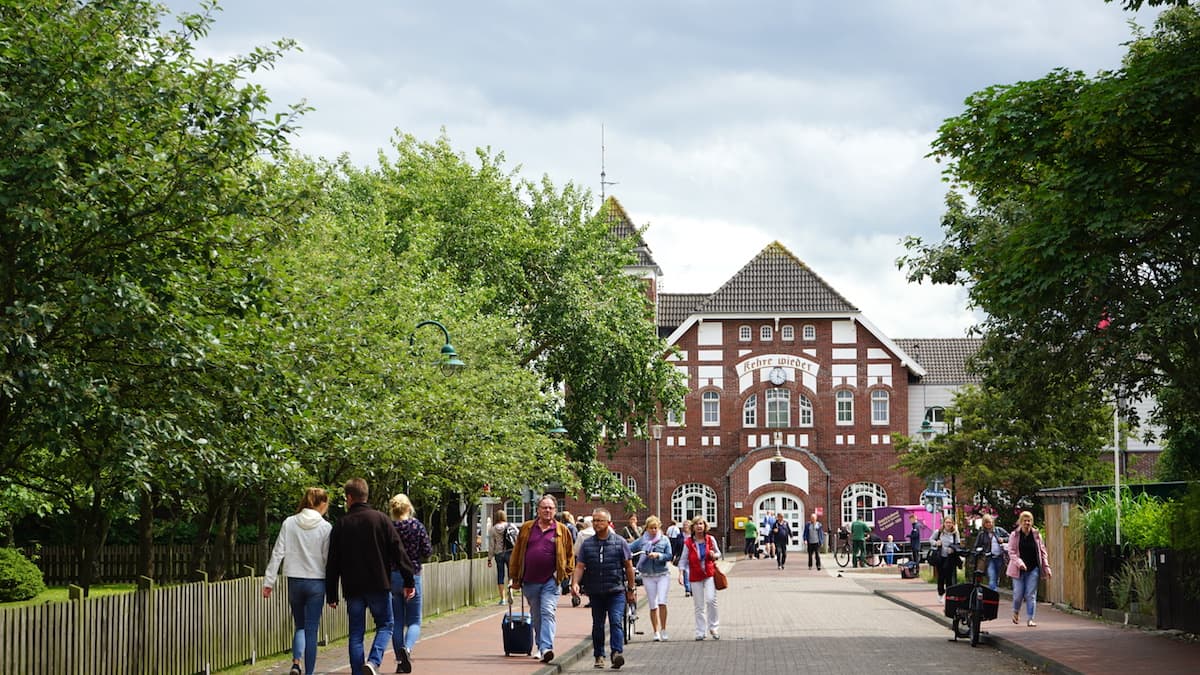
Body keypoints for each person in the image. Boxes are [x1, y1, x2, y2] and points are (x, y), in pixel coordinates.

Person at [326, 478, 415, 675]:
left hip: (352, 587)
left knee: (356, 633)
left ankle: (359, 672)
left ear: (350, 497)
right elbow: (398, 552)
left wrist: (331, 593)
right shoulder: (381, 519)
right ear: (366, 496)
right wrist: (409, 580)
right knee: (386, 625)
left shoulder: (341, 524)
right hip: (378, 583)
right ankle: (373, 662)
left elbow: (333, 561)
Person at [263, 487, 332, 675]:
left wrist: (269, 582)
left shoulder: (289, 523)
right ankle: (309, 672)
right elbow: (327, 559)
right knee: (312, 629)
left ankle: (295, 664)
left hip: (294, 580)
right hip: (317, 581)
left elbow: (278, 552)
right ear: (322, 503)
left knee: (300, 625)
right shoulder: (326, 527)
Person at [508, 494, 575, 664]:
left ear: (555, 510)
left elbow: (569, 554)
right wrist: (514, 577)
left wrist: (565, 573)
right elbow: (516, 553)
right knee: (536, 615)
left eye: (550, 508)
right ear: (538, 510)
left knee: (548, 612)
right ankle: (540, 646)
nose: (547, 510)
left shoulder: (562, 530)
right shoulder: (527, 528)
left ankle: (546, 648)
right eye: (544, 507)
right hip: (530, 580)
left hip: (551, 580)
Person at [570, 508, 636, 669]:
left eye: (600, 520)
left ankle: (616, 653)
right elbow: (580, 566)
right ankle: (599, 655)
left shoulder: (619, 542)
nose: (596, 523)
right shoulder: (587, 544)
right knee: (598, 625)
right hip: (595, 591)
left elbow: (628, 567)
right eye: (594, 520)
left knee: (615, 622)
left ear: (608, 522)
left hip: (616, 590)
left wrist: (631, 589)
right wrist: (575, 583)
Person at [388, 494, 431, 674]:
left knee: (397, 622)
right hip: (413, 575)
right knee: (414, 620)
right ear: (408, 508)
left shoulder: (388, 527)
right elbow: (427, 550)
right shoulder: (416, 526)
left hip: (392, 576)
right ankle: (407, 648)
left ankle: (400, 660)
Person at [631, 515, 673, 642]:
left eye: (655, 528)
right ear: (647, 529)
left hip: (662, 574)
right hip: (648, 575)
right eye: (651, 528)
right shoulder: (642, 541)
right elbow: (629, 548)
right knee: (652, 604)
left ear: (659, 528)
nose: (653, 530)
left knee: (662, 601)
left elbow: (669, 555)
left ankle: (664, 629)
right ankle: (655, 631)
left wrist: (659, 555)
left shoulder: (664, 540)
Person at [1008, 511, 1052, 627]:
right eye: (1025, 520)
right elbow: (1011, 552)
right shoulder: (1015, 535)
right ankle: (1016, 611)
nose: (1027, 523)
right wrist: (1020, 563)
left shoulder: (1036, 535)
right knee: (1018, 594)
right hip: (1018, 570)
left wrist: (1046, 567)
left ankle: (1030, 619)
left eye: (1029, 521)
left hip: (1033, 569)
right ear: (1020, 522)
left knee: (1030, 594)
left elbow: (1043, 552)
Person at [680, 516, 721, 641]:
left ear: (705, 526)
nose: (699, 526)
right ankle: (700, 631)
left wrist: (715, 555)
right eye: (697, 524)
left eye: (701, 524)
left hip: (709, 574)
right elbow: (683, 559)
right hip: (695, 575)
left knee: (710, 600)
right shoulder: (688, 542)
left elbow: (719, 553)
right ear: (693, 527)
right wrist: (681, 573)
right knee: (699, 605)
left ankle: (714, 627)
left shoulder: (710, 539)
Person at [487, 510, 519, 604]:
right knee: (511, 573)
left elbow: (491, 545)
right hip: (510, 552)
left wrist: (489, 558)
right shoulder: (510, 525)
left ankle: (503, 599)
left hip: (499, 554)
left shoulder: (493, 529)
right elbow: (518, 535)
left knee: (500, 574)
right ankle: (510, 589)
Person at [973, 513, 1008, 591]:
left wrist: (1003, 540)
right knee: (992, 578)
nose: (989, 524)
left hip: (1000, 558)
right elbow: (976, 547)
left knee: (997, 578)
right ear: (984, 524)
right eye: (987, 522)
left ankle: (994, 593)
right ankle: (993, 597)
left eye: (990, 522)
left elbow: (1010, 537)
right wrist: (981, 551)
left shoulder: (999, 530)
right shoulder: (982, 534)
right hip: (989, 559)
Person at [931, 518, 961, 601]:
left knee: (949, 577)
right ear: (944, 523)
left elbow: (958, 544)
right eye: (947, 522)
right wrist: (936, 543)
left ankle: (949, 595)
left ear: (952, 524)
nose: (948, 524)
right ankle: (940, 593)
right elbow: (931, 539)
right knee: (941, 577)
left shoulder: (955, 533)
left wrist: (953, 549)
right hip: (940, 557)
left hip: (950, 558)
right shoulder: (939, 532)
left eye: (950, 522)